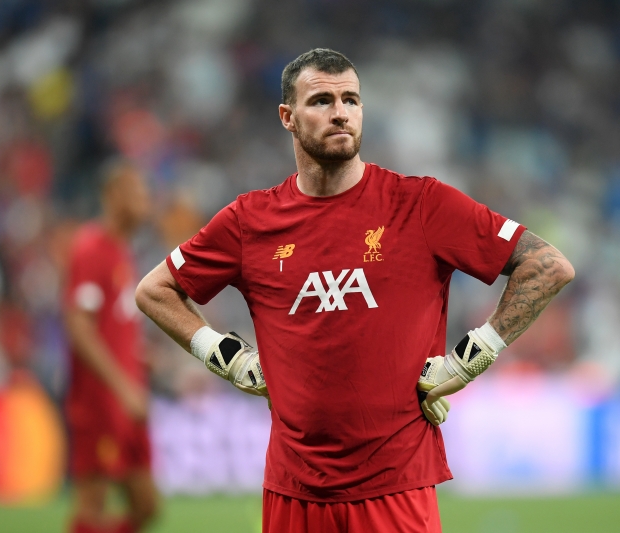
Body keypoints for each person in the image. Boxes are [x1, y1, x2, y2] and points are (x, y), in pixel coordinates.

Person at [135, 48, 574, 533]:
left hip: (396, 489)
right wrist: (230, 360)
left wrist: (470, 358)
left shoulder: (420, 204)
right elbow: (155, 290)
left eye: (351, 99)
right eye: (322, 100)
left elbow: (548, 265)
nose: (341, 112)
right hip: (292, 492)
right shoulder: (249, 221)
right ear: (287, 117)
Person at [63, 161, 159, 533]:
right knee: (92, 505)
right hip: (100, 400)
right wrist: (122, 385)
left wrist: (138, 358)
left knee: (146, 506)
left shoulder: (121, 251)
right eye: (137, 192)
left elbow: (111, 326)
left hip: (127, 397)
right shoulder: (91, 248)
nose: (146, 201)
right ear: (113, 196)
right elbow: (79, 326)